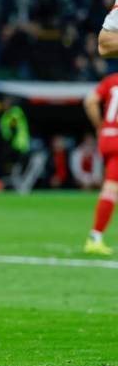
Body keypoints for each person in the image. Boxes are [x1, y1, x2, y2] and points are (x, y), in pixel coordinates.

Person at [83, 74, 118, 254]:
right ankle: (95, 238)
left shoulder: (112, 80)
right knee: (111, 189)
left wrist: (100, 126)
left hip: (108, 136)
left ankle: (95, 237)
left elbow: (90, 101)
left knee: (113, 188)